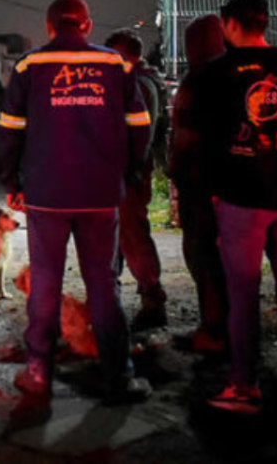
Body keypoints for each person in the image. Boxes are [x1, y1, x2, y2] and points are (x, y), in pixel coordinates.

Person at [0, 0, 153, 403]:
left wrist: (11, 180)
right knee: (103, 284)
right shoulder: (115, 64)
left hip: (47, 196)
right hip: (102, 195)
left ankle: (38, 374)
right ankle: (119, 376)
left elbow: (9, 128)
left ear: (50, 27)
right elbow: (140, 124)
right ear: (86, 25)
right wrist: (132, 170)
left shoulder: (30, 66)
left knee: (45, 283)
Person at [195, 0, 277, 414]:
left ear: (229, 24)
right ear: (264, 22)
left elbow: (207, 141)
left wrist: (214, 191)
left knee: (243, 292)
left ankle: (245, 385)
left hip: (240, 201)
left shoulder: (217, 73)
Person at [168, 15, 229, 353]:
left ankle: (214, 330)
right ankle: (227, 328)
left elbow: (185, 138)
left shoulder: (198, 81)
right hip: (232, 188)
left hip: (201, 187)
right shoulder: (236, 74)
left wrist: (178, 178)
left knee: (204, 258)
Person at [104, 29, 169, 330]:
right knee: (118, 237)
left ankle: (152, 299)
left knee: (132, 236)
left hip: (128, 175)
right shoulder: (145, 81)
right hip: (128, 174)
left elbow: (136, 135)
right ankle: (113, 299)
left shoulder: (138, 86)